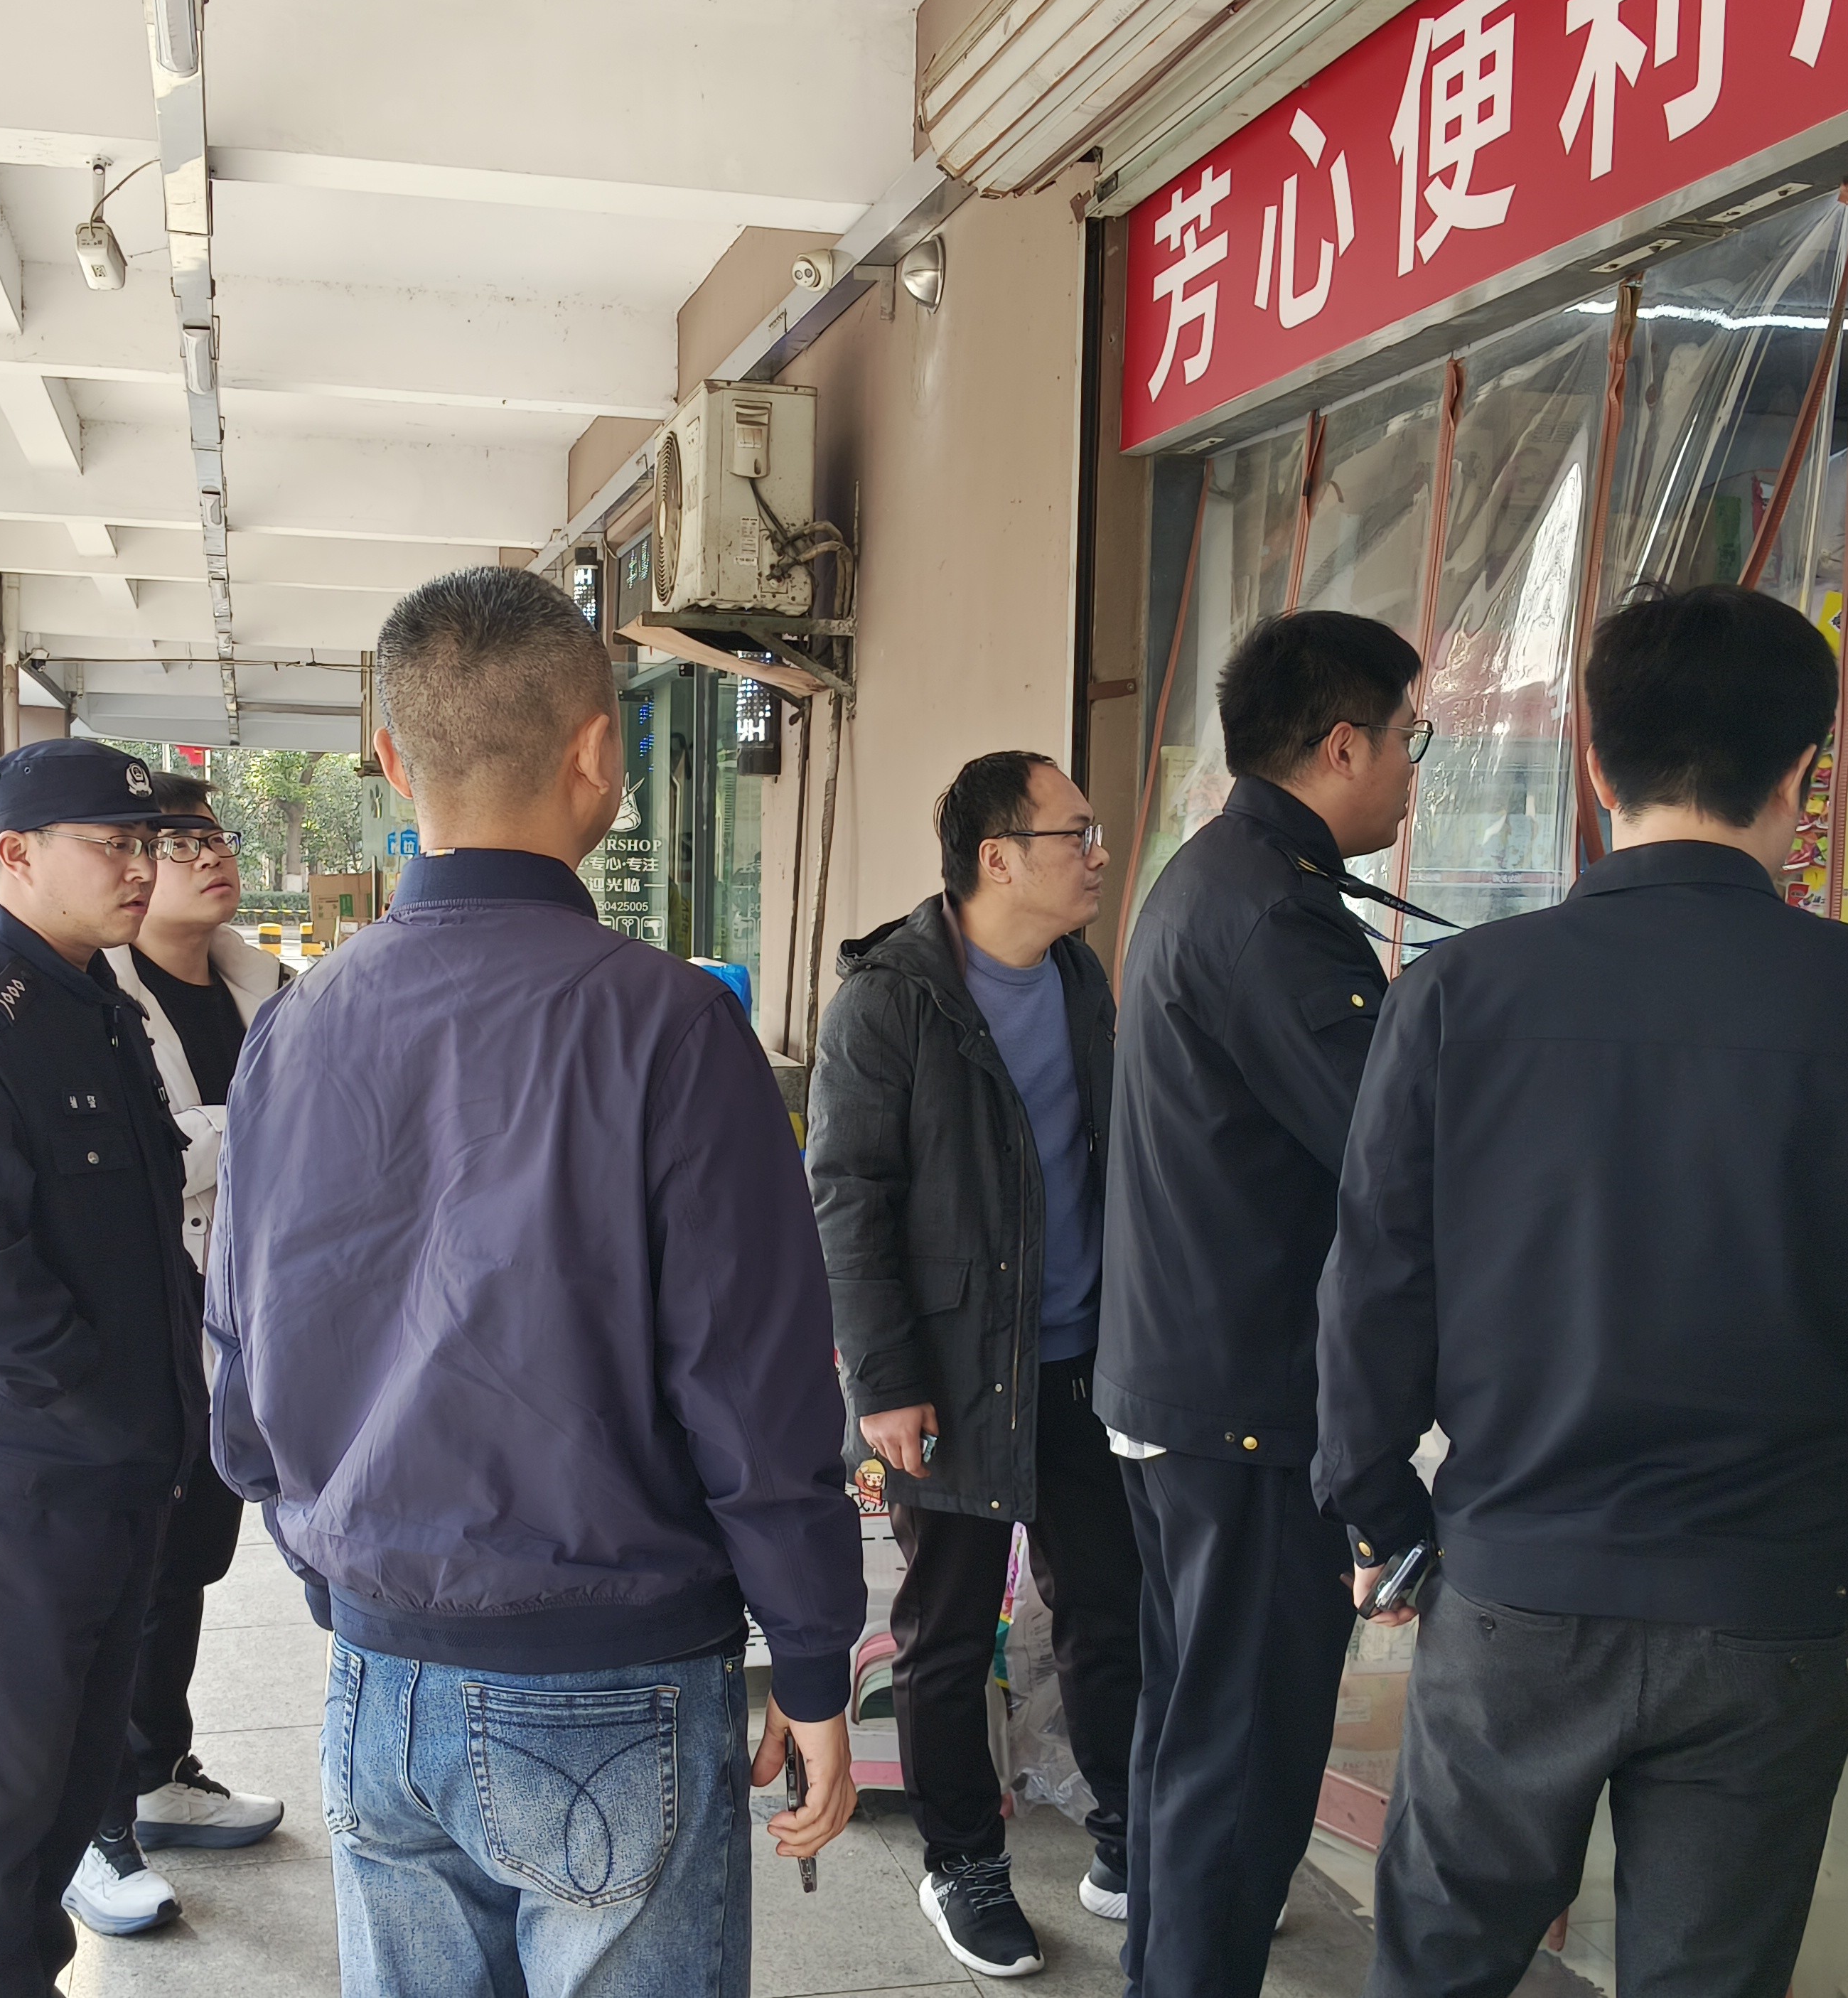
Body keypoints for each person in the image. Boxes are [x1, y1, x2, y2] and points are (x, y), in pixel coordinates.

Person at [1314, 585, 1848, 1998]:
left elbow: (1374, 1280)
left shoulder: (1458, 992)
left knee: (1439, 1969)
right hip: (1771, 1600)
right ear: (1802, 775)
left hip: (1517, 1582)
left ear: (1593, 758)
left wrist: (1384, 1511)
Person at [204, 566, 863, 1997]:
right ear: (601, 755)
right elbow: (755, 1392)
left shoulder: (295, 1028)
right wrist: (815, 1656)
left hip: (378, 1675)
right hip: (614, 1674)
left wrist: (341, 1574)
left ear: (393, 761)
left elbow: (240, 1375)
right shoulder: (671, 1024)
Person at [1099, 608, 1426, 1998]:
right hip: (1239, 1409)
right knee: (1239, 1768)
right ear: (1342, 743)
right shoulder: (1276, 920)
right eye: (1409, 737)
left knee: (1191, 1747)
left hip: (1178, 1385)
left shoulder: (1218, 874)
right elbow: (1391, 1153)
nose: (1411, 769)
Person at [0, 738, 202, 1998]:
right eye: (113, 845)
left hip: (103, 1481)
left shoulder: (94, 1003)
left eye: (149, 843)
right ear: (15, 855)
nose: (142, 868)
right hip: (8, 1489)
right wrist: (115, 1406)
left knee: (58, 1813)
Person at [812, 750, 1136, 1978]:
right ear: (997, 857)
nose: (1097, 852)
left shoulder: (1078, 976)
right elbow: (847, 1196)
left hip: (1082, 1360)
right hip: (945, 1380)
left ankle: (1128, 1843)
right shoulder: (892, 998)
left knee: (1109, 1608)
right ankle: (963, 1863)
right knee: (947, 1632)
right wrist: (883, 1379)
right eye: (1075, 832)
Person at [64, 773, 290, 1935]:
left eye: (213, 835)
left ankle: (157, 1770)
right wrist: (262, 1126)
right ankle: (89, 1825)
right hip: (139, 1315)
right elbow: (139, 1155)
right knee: (123, 1575)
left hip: (242, 1306)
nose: (208, 855)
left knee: (193, 1553)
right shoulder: (95, 997)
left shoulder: (269, 989)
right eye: (176, 841)